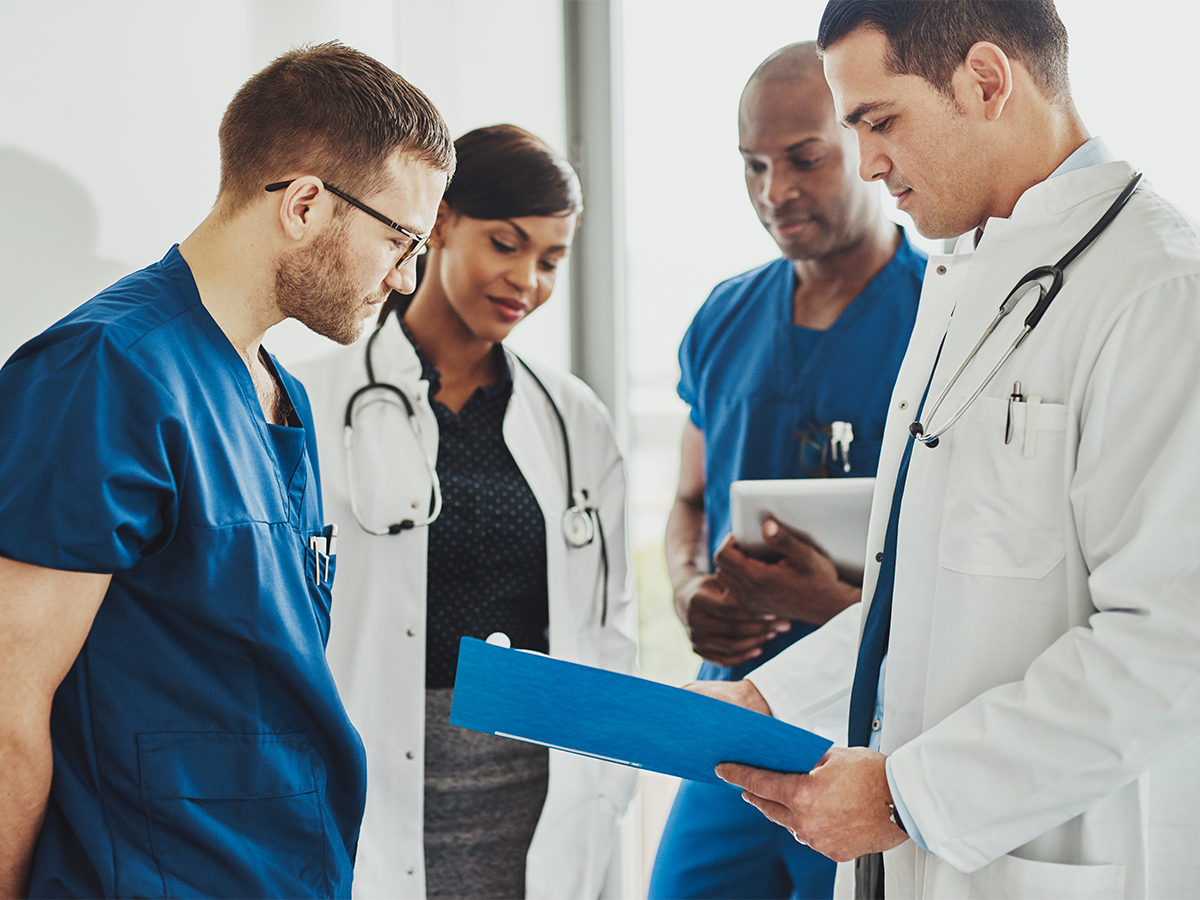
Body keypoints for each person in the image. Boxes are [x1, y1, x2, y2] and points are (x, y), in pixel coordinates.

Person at [709, 2, 1200, 898]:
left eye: (880, 121)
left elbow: (1172, 645)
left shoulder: (1159, 291)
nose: (868, 163)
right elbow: (927, 589)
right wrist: (767, 700)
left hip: (1056, 855)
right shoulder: (966, 273)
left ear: (984, 79)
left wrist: (910, 796)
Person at [0, 43, 453, 899]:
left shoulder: (279, 393)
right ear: (306, 204)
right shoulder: (104, 372)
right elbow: (5, 705)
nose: (405, 278)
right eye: (400, 240)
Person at [296, 124, 637, 900]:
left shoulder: (574, 419)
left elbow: (607, 629)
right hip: (368, 785)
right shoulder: (311, 397)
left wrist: (605, 793)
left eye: (550, 260)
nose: (527, 280)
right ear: (441, 221)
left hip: (533, 795)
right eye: (506, 245)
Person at [649, 42, 925, 900]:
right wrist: (688, 591)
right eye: (755, 165)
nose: (775, 191)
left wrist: (834, 605)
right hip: (731, 719)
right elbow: (688, 501)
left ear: (866, 147)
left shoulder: (942, 322)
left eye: (805, 158)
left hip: (867, 738)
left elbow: (972, 576)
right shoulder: (723, 317)